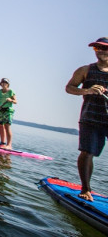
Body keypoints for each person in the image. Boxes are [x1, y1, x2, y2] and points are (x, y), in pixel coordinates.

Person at [65, 37, 108, 202]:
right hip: (90, 119)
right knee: (87, 152)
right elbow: (69, 88)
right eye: (97, 48)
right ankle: (86, 189)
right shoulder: (85, 70)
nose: (101, 51)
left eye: (104, 48)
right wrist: (87, 91)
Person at [0, 78, 17, 149]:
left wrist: (10, 100)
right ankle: (2, 143)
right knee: (0, 126)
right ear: (0, 84)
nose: (3, 84)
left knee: (7, 126)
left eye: (5, 83)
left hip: (8, 110)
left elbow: (15, 101)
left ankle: (9, 145)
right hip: (0, 110)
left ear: (8, 84)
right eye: (2, 83)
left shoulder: (11, 91)